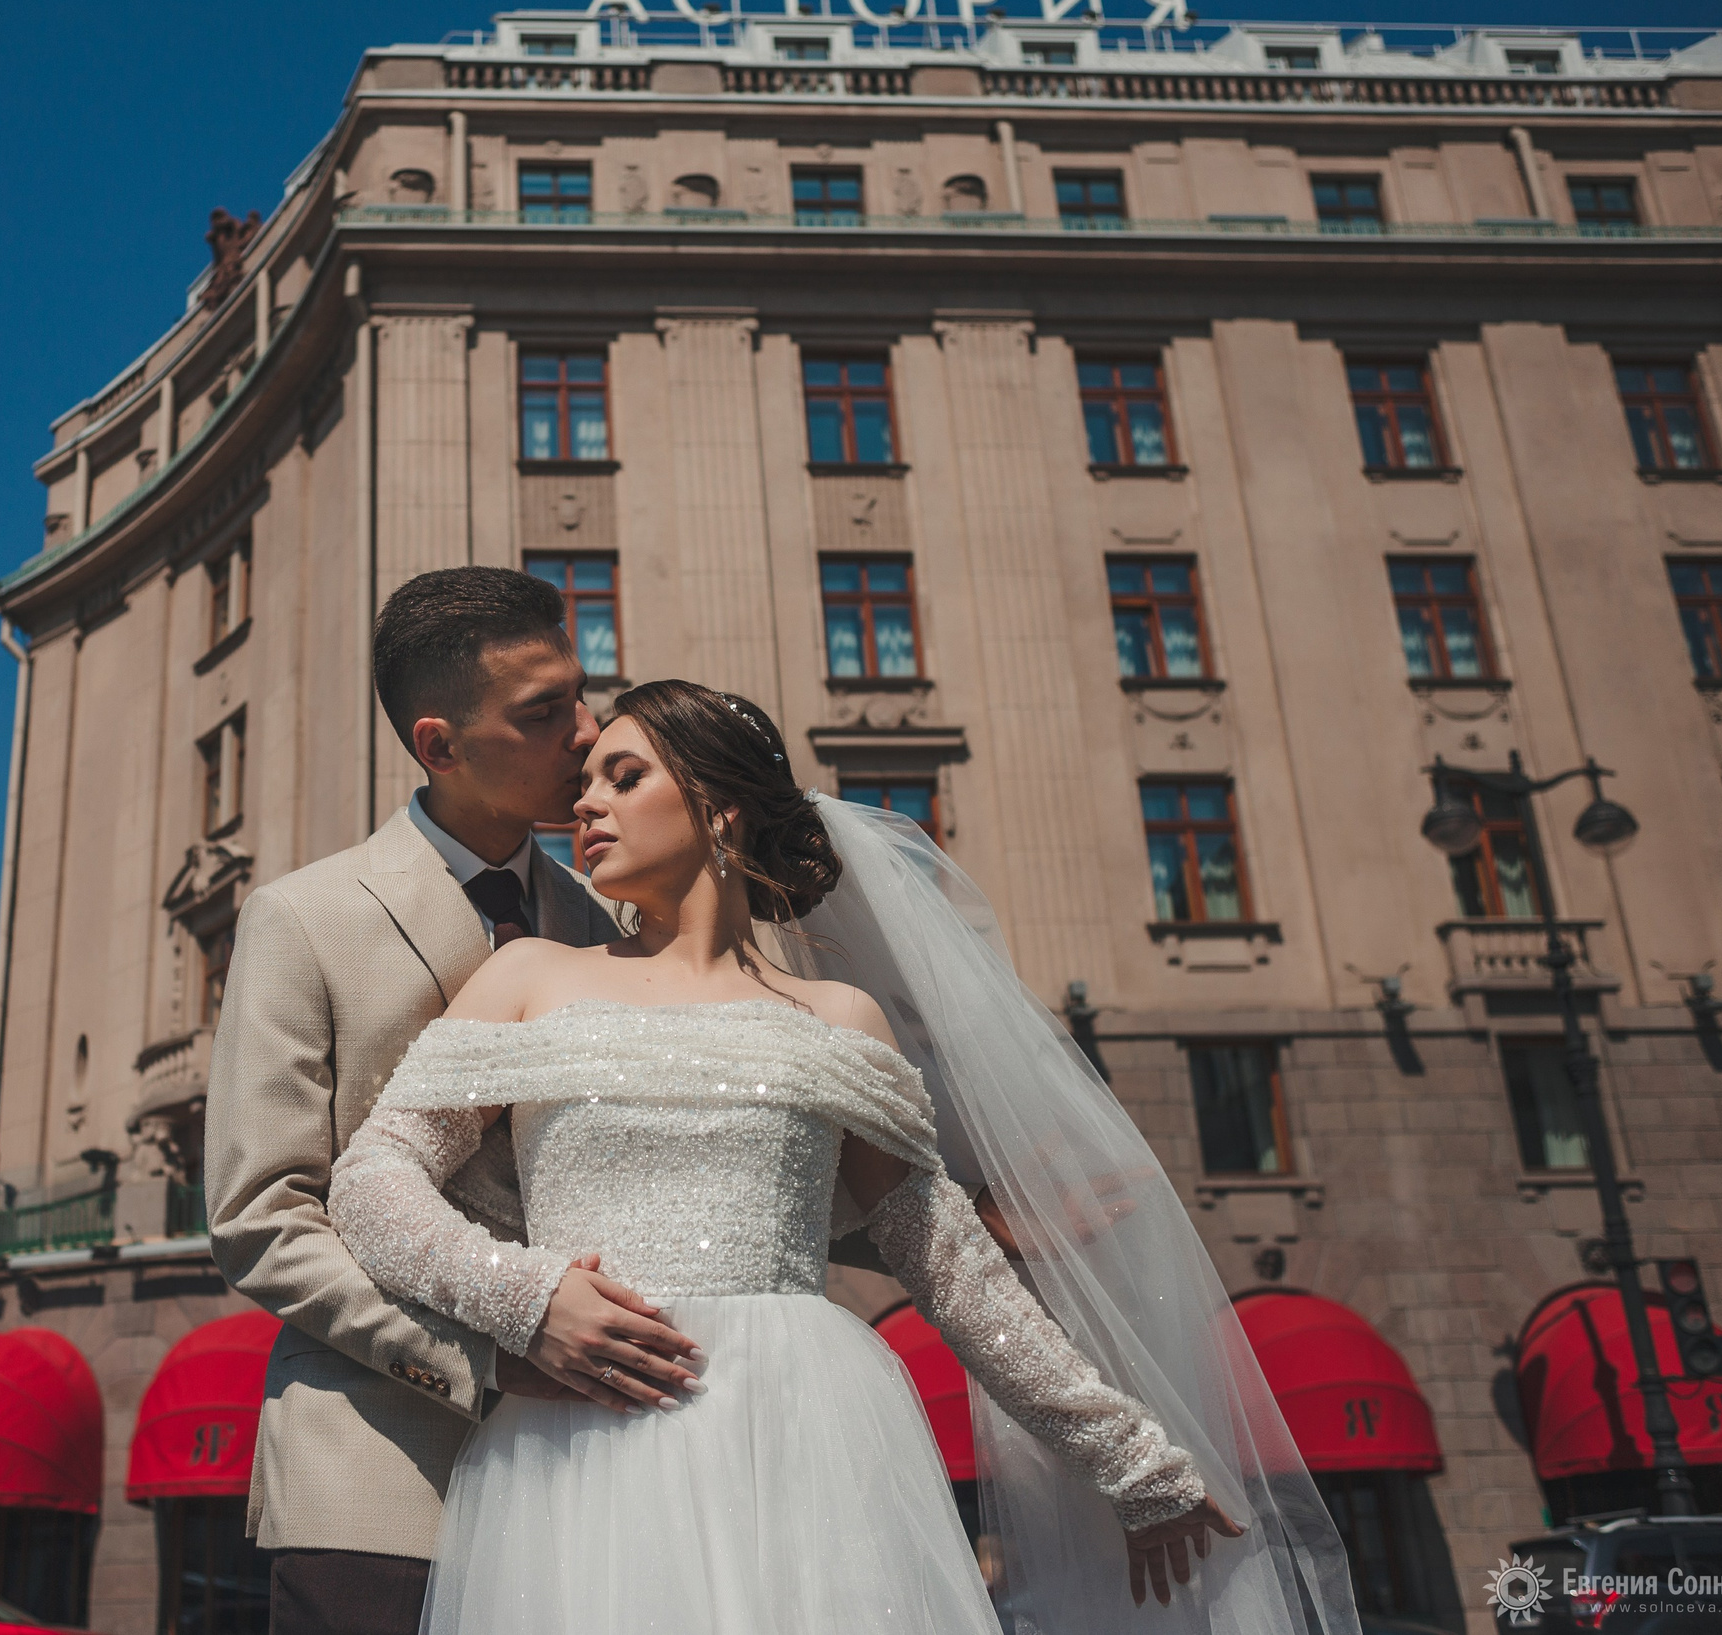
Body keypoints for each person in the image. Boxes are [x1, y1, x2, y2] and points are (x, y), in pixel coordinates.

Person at [327, 681, 1363, 1635]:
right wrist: (529, 1297)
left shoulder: (837, 1018)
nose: (583, 805)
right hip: (585, 1432)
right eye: (585, 782)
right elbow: (371, 1182)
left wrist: (1132, 1457)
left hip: (803, 1437)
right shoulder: (528, 975)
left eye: (624, 775)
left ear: (721, 806)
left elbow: (952, 1270)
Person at [206, 567, 668, 1635]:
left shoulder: (605, 928)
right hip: (374, 1473)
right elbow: (262, 1220)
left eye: (581, 696)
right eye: (543, 713)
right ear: (439, 745)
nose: (588, 733)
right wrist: (490, 1356)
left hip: (584, 1472)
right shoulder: (301, 918)